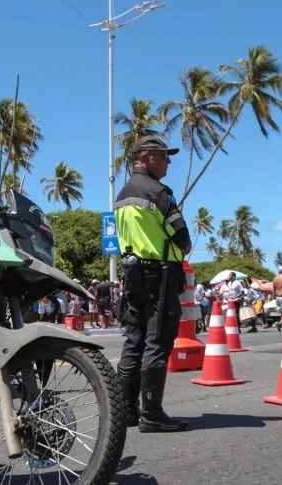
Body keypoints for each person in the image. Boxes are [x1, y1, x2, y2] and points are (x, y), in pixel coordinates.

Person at [115, 135, 191, 433]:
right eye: (164, 156)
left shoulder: (121, 195)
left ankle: (127, 411)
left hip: (132, 274)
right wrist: (183, 247)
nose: (169, 161)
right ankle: (152, 413)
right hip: (159, 274)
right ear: (146, 158)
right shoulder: (158, 192)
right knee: (157, 340)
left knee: (134, 341)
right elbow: (180, 234)